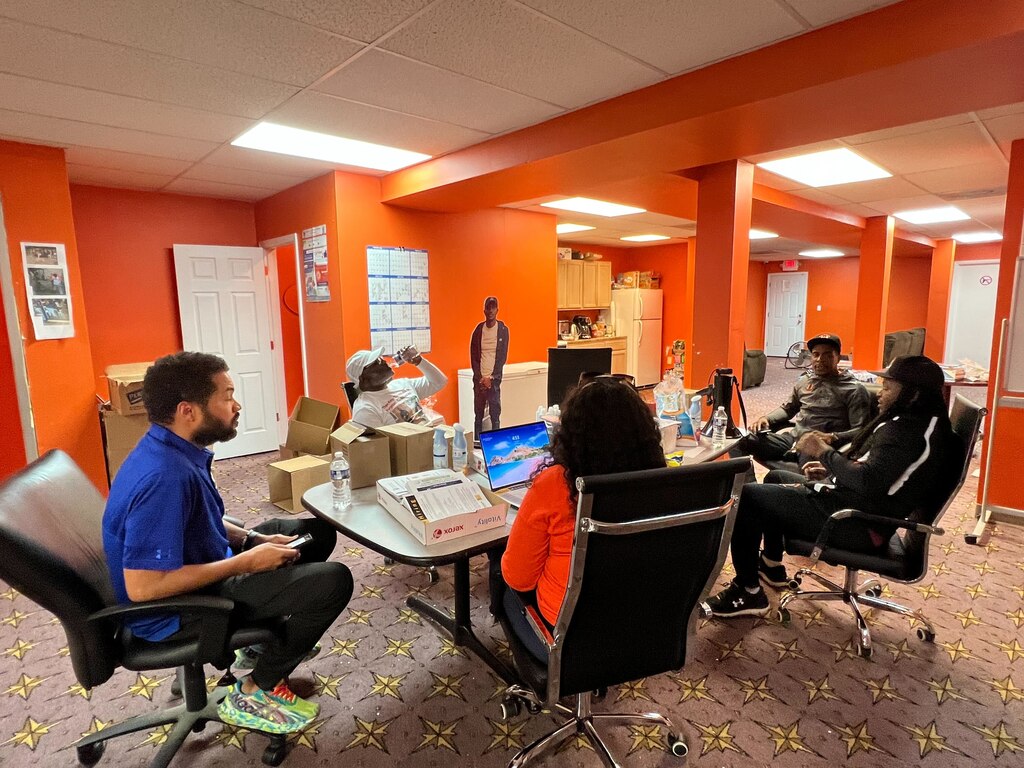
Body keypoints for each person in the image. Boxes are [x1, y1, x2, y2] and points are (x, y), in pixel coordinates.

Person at [103, 352, 353, 734]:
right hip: (176, 610)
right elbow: (144, 588)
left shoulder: (173, 449)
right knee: (334, 581)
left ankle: (254, 647)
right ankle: (256, 687)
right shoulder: (163, 479)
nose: (236, 406)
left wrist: (253, 538)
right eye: (227, 396)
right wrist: (245, 563)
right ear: (189, 411)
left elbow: (196, 519)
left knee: (316, 533)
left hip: (200, 566)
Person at [706, 355, 959, 618]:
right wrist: (833, 471)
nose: (880, 392)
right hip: (856, 505)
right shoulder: (920, 422)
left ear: (913, 392)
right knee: (775, 478)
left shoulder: (908, 433)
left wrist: (824, 453)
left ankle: (747, 592)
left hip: (857, 523)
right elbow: (883, 474)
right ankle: (771, 565)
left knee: (748, 497)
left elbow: (868, 481)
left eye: (888, 386)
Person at [499, 376, 667, 658]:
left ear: (570, 433)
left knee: (499, 578)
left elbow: (519, 579)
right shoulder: (661, 483)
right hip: (641, 623)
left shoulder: (555, 484)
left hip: (567, 636)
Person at [732, 333, 871, 472]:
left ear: (838, 358)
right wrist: (766, 418)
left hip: (819, 446)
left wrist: (833, 437)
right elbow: (788, 409)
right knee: (737, 440)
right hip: (793, 439)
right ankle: (745, 487)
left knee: (803, 475)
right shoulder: (805, 381)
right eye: (816, 354)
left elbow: (862, 431)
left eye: (827, 355)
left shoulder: (854, 389)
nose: (820, 359)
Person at [347, 345, 447, 427]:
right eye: (376, 362)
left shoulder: (402, 384)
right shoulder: (365, 408)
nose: (383, 361)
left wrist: (419, 361)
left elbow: (439, 382)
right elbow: (376, 447)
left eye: (380, 358)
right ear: (362, 379)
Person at [469, 296, 509, 435]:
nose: (490, 310)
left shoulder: (503, 330)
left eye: (493, 307)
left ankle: (496, 443)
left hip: (494, 381)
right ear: (484, 310)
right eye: (488, 307)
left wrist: (492, 378)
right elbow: (473, 355)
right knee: (478, 415)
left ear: (497, 310)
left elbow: (502, 357)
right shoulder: (479, 330)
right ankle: (477, 444)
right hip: (479, 379)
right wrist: (480, 377)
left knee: (495, 415)